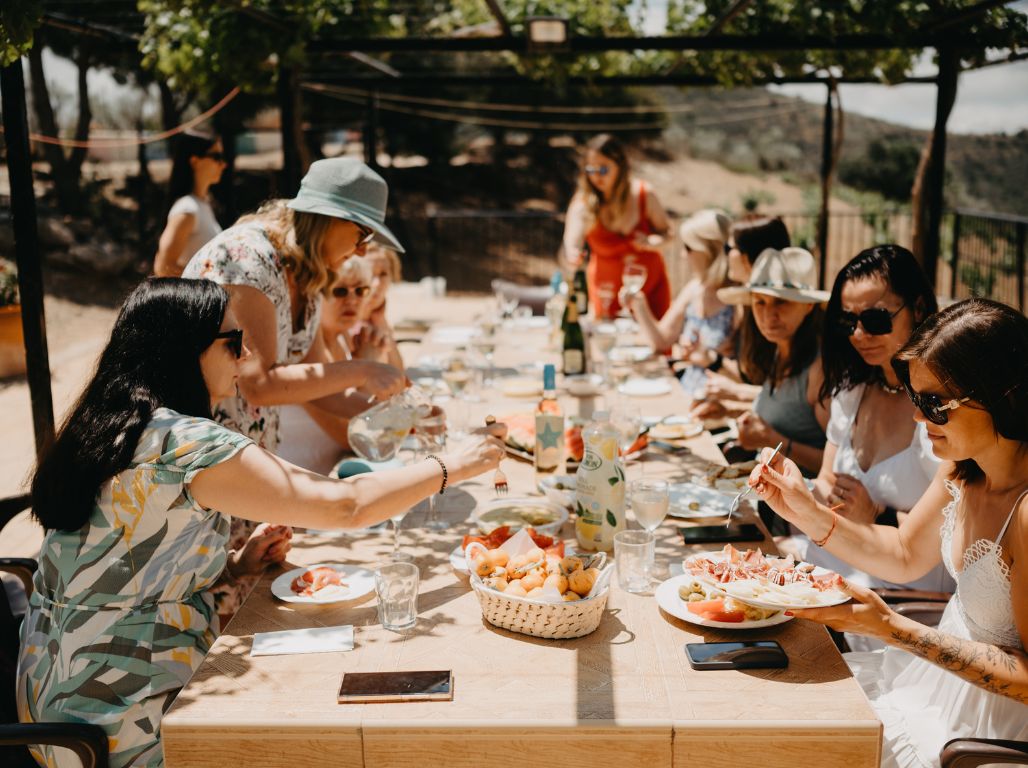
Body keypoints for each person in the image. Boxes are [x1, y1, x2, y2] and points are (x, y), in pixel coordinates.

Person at [16, 278, 506, 768]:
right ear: (186, 349)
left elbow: (115, 566)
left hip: (53, 709)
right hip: (131, 721)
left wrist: (233, 564)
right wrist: (453, 466)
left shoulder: (105, 425)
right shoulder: (187, 445)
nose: (248, 356)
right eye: (234, 342)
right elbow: (346, 505)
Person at [748, 297, 1028, 768]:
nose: (919, 418)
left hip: (979, 736)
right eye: (916, 399)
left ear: (1002, 394)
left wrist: (894, 629)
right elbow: (903, 554)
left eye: (935, 403)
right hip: (930, 690)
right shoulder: (964, 468)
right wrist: (804, 510)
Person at [182, 157, 409, 616]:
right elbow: (260, 385)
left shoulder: (306, 272)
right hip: (201, 459)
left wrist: (403, 415)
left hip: (246, 457)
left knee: (245, 605)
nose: (363, 250)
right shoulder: (248, 259)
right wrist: (362, 370)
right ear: (331, 220)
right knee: (204, 609)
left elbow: (315, 386)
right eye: (362, 234)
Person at [790, 246, 954, 648]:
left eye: (876, 318)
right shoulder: (853, 389)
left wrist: (877, 517)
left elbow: (958, 526)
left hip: (895, 601)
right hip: (828, 572)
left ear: (917, 309)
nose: (859, 334)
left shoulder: (939, 411)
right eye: (848, 321)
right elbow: (828, 478)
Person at [702, 247, 830, 475]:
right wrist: (727, 411)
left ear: (808, 305)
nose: (769, 315)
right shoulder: (781, 349)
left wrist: (772, 440)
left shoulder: (818, 368)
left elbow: (838, 465)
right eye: (760, 302)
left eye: (781, 302)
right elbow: (788, 415)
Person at [277, 256, 391, 473]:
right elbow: (352, 437)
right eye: (339, 291)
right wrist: (367, 366)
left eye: (361, 291)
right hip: (297, 483)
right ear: (314, 296)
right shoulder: (301, 352)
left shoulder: (343, 338)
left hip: (331, 471)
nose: (352, 299)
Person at [561, 133, 672, 319]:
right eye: (590, 170)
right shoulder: (583, 204)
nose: (596, 177)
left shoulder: (645, 194)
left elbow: (668, 234)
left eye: (603, 169)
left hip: (648, 293)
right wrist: (572, 255)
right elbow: (570, 245)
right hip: (606, 293)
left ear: (620, 166)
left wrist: (651, 242)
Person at [626, 209, 734, 368]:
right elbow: (662, 342)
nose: (683, 255)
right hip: (687, 385)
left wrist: (706, 357)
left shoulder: (738, 298)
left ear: (710, 251)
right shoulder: (694, 288)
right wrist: (639, 305)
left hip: (716, 390)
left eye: (688, 248)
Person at [154, 130, 226, 277]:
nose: (223, 164)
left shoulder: (203, 205)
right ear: (195, 161)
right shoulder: (187, 209)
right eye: (216, 156)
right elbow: (163, 267)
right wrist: (207, 285)